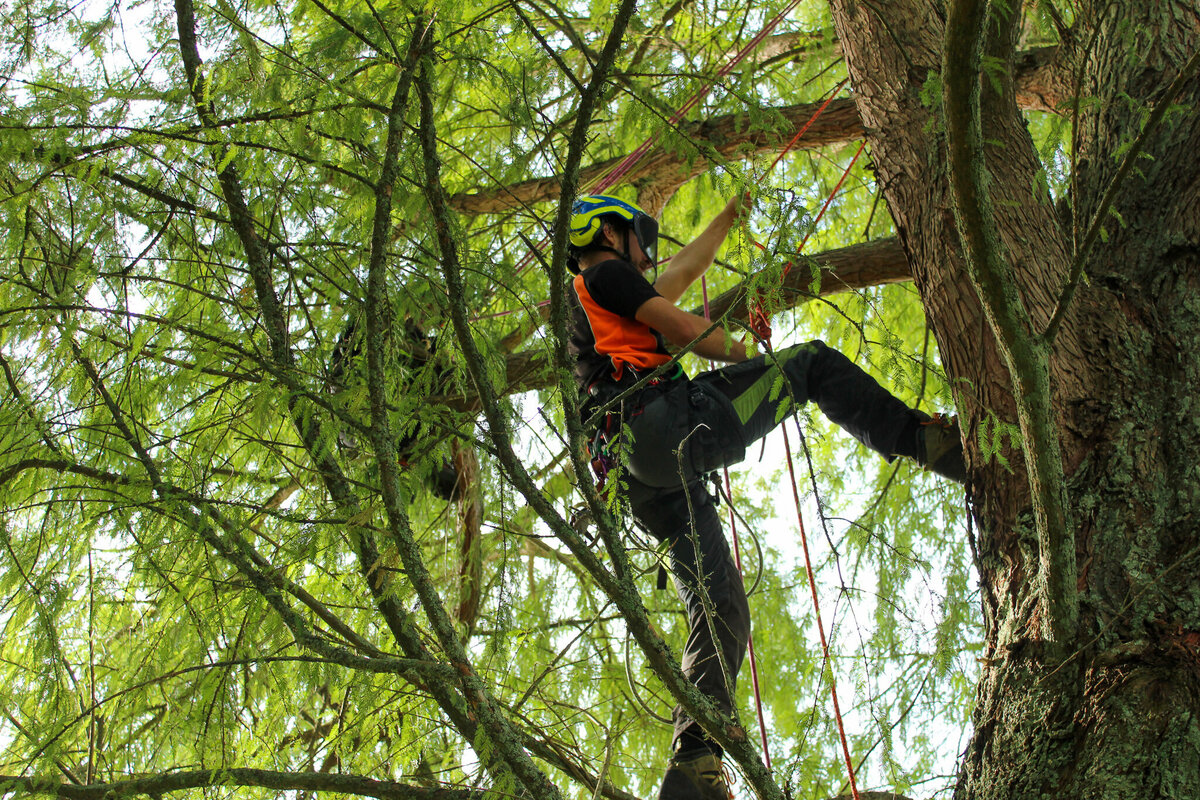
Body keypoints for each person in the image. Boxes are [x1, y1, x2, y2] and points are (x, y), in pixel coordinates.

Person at [565, 193, 964, 800]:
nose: (646, 257)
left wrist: (727, 217)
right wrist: (751, 355)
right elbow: (681, 327)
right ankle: (927, 442)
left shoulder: (601, 301)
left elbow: (682, 275)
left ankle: (694, 766)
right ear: (609, 233)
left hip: (638, 476)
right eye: (636, 238)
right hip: (663, 426)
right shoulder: (602, 274)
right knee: (806, 366)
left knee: (720, 603)